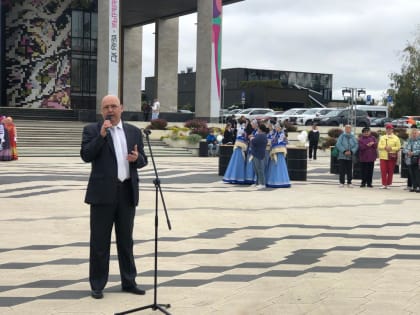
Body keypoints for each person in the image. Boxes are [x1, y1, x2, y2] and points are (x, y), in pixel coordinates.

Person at [80, 94, 148, 299]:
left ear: (122, 108)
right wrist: (101, 136)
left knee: (126, 241)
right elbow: (86, 155)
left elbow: (143, 160)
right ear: (102, 111)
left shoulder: (134, 132)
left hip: (126, 192)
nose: (110, 110)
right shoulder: (91, 130)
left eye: (114, 106)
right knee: (99, 242)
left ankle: (129, 281)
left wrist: (137, 159)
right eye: (106, 107)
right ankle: (98, 284)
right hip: (102, 195)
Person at [223, 117, 248, 184]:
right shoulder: (241, 129)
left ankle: (235, 177)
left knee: (236, 162)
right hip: (240, 147)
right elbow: (242, 137)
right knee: (238, 162)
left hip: (239, 147)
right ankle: (237, 177)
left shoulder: (240, 129)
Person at [266, 122, 291, 188]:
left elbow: (279, 142)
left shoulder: (282, 134)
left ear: (280, 127)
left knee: (279, 165)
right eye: (276, 126)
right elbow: (272, 140)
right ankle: (273, 181)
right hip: (274, 151)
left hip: (279, 152)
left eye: (277, 126)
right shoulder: (275, 133)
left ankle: (280, 181)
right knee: (274, 166)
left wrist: (272, 143)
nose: (275, 127)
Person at [378, 123, 401, 189]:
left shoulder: (396, 138)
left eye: (390, 129)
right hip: (383, 156)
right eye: (387, 129)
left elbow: (398, 147)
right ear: (386, 130)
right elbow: (379, 146)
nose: (389, 130)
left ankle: (388, 184)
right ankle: (384, 184)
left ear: (392, 130)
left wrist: (391, 148)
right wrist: (385, 147)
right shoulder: (382, 137)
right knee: (383, 170)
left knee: (390, 170)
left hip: (391, 156)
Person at [250, 123, 268, 189]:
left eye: (258, 128)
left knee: (260, 169)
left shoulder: (261, 135)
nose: (257, 129)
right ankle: (257, 182)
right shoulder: (260, 135)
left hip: (259, 154)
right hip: (256, 153)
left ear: (260, 129)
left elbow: (254, 141)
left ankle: (262, 183)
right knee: (256, 169)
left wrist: (251, 139)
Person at [403, 127, 420, 192]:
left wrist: (413, 153)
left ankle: (418, 186)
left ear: (418, 134)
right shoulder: (408, 140)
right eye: (413, 133)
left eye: (415, 133)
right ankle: (414, 186)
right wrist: (408, 152)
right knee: (411, 173)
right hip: (409, 160)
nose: (414, 134)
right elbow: (404, 149)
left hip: (417, 159)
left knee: (417, 173)